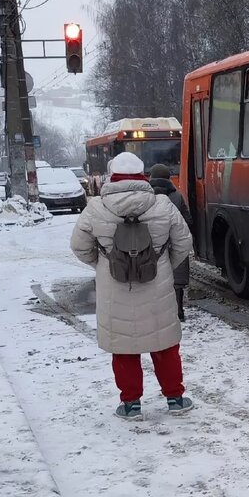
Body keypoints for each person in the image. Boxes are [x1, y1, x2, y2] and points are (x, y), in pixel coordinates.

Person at [71, 152, 194, 420]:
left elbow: (79, 247)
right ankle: (175, 398)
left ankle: (131, 404)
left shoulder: (96, 208)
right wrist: (164, 265)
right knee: (164, 344)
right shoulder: (163, 205)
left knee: (123, 348)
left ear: (112, 176)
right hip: (157, 286)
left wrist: (103, 265)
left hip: (114, 288)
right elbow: (184, 241)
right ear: (143, 176)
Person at [149, 163, 191, 321]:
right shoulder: (177, 196)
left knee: (154, 277)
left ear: (151, 177)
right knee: (177, 279)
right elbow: (188, 220)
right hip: (174, 243)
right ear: (168, 177)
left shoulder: (145, 196)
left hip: (152, 244)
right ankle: (178, 310)